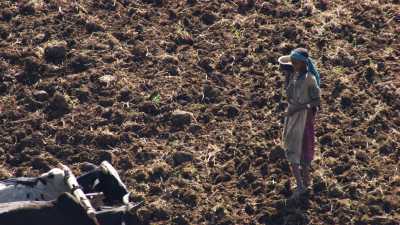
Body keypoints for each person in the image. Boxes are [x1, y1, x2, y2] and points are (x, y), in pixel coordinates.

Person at [278, 48, 321, 199]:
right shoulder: (295, 77)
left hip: (303, 118)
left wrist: (300, 107)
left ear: (303, 63)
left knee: (294, 151)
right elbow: (290, 96)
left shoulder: (310, 79)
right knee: (296, 150)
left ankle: (302, 186)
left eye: (295, 62)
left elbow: (317, 100)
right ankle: (305, 183)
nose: (293, 65)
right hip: (293, 117)